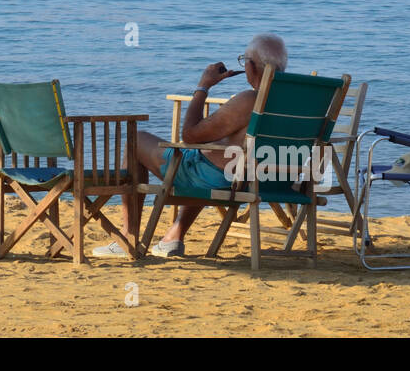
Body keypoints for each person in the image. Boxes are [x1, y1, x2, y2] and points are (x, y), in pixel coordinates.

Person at [93, 33, 290, 258]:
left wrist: (204, 85)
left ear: (251, 67)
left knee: (136, 140)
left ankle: (127, 238)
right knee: (205, 155)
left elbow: (189, 135)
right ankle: (173, 237)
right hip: (269, 179)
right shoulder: (293, 101)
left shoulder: (250, 100)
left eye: (244, 60)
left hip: (223, 180)